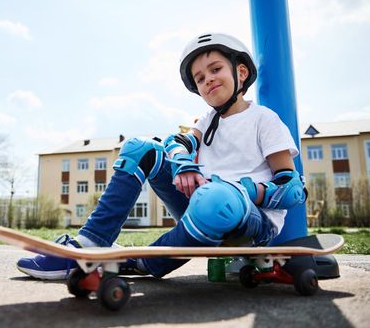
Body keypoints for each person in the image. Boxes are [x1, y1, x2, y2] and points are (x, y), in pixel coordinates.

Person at [17, 32, 307, 280]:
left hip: (250, 222)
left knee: (216, 199)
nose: (208, 80)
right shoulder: (206, 121)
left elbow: (292, 189)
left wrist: (241, 191)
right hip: (202, 205)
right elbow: (176, 142)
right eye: (200, 77)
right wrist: (182, 164)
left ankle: (141, 261)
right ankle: (90, 243)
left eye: (216, 69)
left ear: (240, 72)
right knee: (141, 147)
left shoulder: (263, 119)